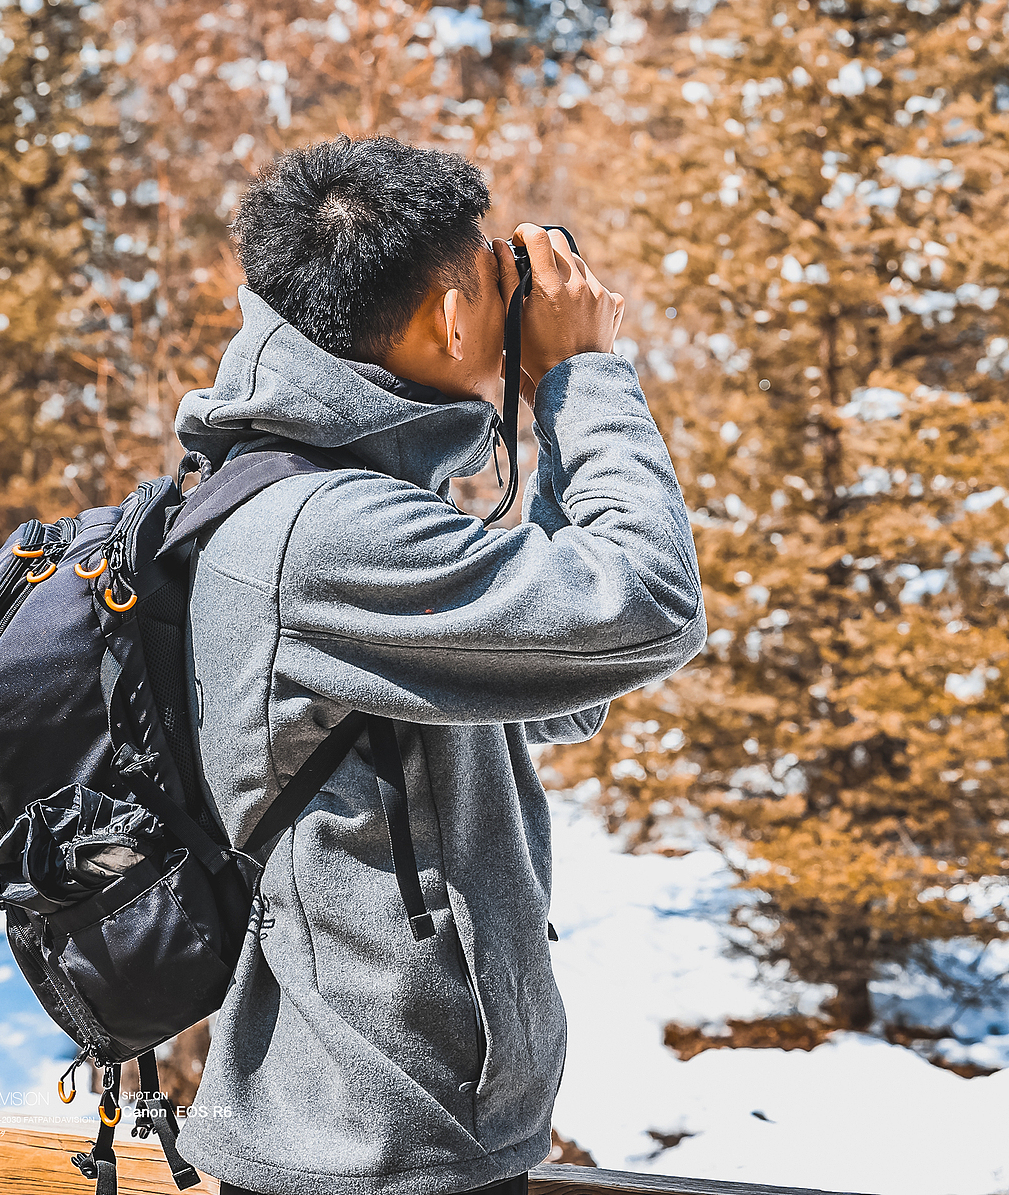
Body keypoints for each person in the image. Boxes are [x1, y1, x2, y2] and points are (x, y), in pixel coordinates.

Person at [172, 135, 706, 1195]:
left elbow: (554, 686)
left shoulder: (308, 494)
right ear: (456, 317)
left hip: (366, 1123)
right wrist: (585, 377)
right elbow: (643, 606)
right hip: (375, 1138)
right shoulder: (324, 532)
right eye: (487, 282)